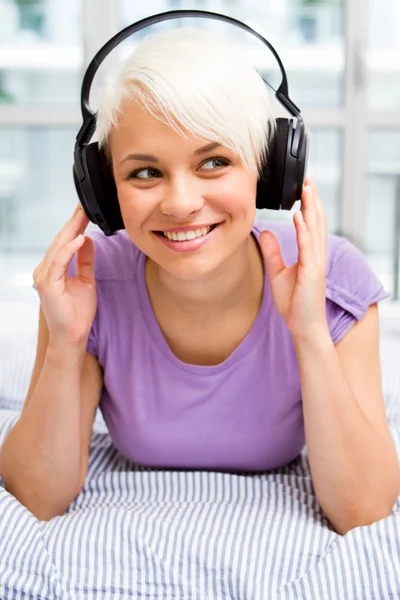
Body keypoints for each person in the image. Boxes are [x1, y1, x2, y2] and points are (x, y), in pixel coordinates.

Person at [0, 27, 399, 534]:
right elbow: (37, 497)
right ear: (104, 190)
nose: (181, 203)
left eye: (214, 162)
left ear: (269, 169)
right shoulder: (87, 281)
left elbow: (364, 511)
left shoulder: (334, 278)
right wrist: (66, 342)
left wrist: (309, 333)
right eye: (145, 173)